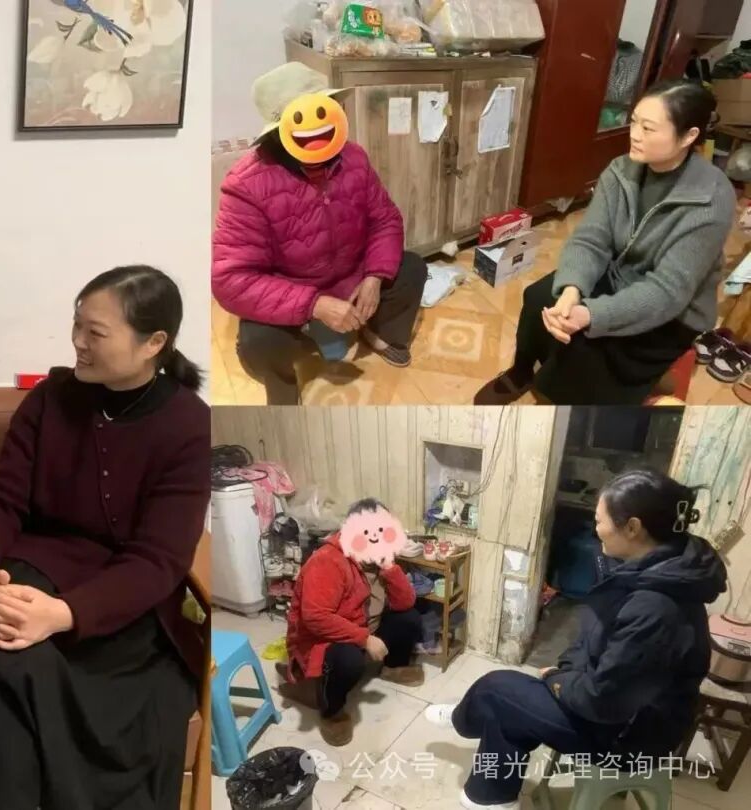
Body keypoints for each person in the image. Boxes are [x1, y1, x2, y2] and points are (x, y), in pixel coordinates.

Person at [0, 266, 210, 810]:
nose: (78, 342)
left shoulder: (189, 425)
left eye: (96, 332)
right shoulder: (51, 399)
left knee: (14, 666)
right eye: (76, 325)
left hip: (125, 608)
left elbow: (158, 560)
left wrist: (62, 615)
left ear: (153, 343)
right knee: (3, 657)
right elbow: (1, 494)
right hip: (34, 569)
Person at [424, 469, 726, 810]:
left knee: (496, 690)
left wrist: (557, 679)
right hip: (620, 708)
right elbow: (593, 637)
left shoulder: (656, 608)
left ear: (632, 527)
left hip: (630, 737)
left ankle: (465, 721)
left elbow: (603, 701)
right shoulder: (654, 569)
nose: (595, 529)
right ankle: (490, 796)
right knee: (507, 707)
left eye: (599, 521)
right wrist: (567, 672)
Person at [476, 79, 736, 405]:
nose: (635, 134)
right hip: (620, 273)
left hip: (673, 313)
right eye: (635, 121)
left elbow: (668, 292)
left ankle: (574, 391)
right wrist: (572, 290)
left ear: (688, 136)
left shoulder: (711, 198)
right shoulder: (622, 170)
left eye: (649, 128)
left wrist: (591, 314)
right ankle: (522, 370)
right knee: (540, 297)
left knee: (584, 348)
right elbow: (592, 238)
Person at [213, 61, 427, 405]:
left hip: (352, 275)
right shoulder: (245, 185)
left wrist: (374, 276)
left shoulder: (354, 157)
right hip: (293, 290)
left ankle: (378, 333)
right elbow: (231, 280)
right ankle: (284, 388)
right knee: (259, 340)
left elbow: (385, 219)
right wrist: (313, 304)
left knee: (411, 268)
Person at [277, 499, 424, 747]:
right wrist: (364, 639)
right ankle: (331, 710)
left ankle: (393, 667)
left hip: (365, 626)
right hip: (328, 639)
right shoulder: (328, 560)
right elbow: (316, 617)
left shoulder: (375, 557)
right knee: (349, 659)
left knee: (410, 618)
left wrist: (389, 567)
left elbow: (405, 602)